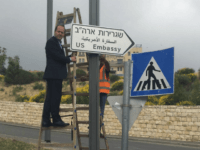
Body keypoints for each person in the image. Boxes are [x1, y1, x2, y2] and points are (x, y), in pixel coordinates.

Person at [42, 25, 76, 127]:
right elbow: (57, 57)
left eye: (62, 32)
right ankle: (56, 119)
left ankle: (46, 120)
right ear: (55, 31)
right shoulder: (51, 42)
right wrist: (70, 59)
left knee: (50, 98)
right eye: (58, 31)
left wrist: (69, 57)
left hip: (54, 74)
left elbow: (59, 57)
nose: (60, 34)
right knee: (55, 98)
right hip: (54, 74)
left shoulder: (57, 43)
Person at [99, 55, 110, 119]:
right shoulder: (97, 67)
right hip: (97, 90)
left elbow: (108, 69)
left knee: (101, 109)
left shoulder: (106, 65)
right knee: (95, 109)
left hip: (103, 91)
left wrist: (105, 61)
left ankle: (99, 126)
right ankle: (93, 124)